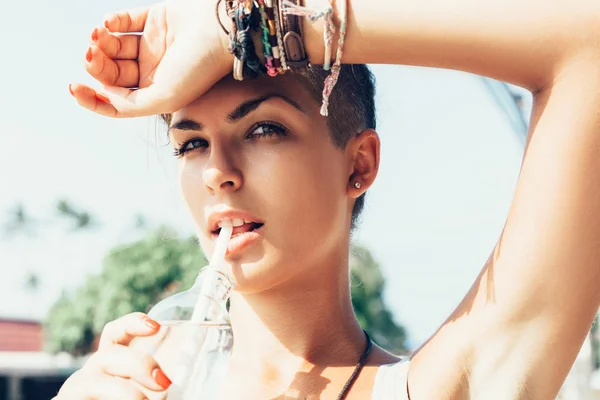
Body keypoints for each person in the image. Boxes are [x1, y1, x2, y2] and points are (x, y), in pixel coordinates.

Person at [57, 0, 600, 398]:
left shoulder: (444, 388)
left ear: (358, 164)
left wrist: (251, 28)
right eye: (191, 143)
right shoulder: (134, 385)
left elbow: (589, 46)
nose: (217, 173)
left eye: (263, 130)